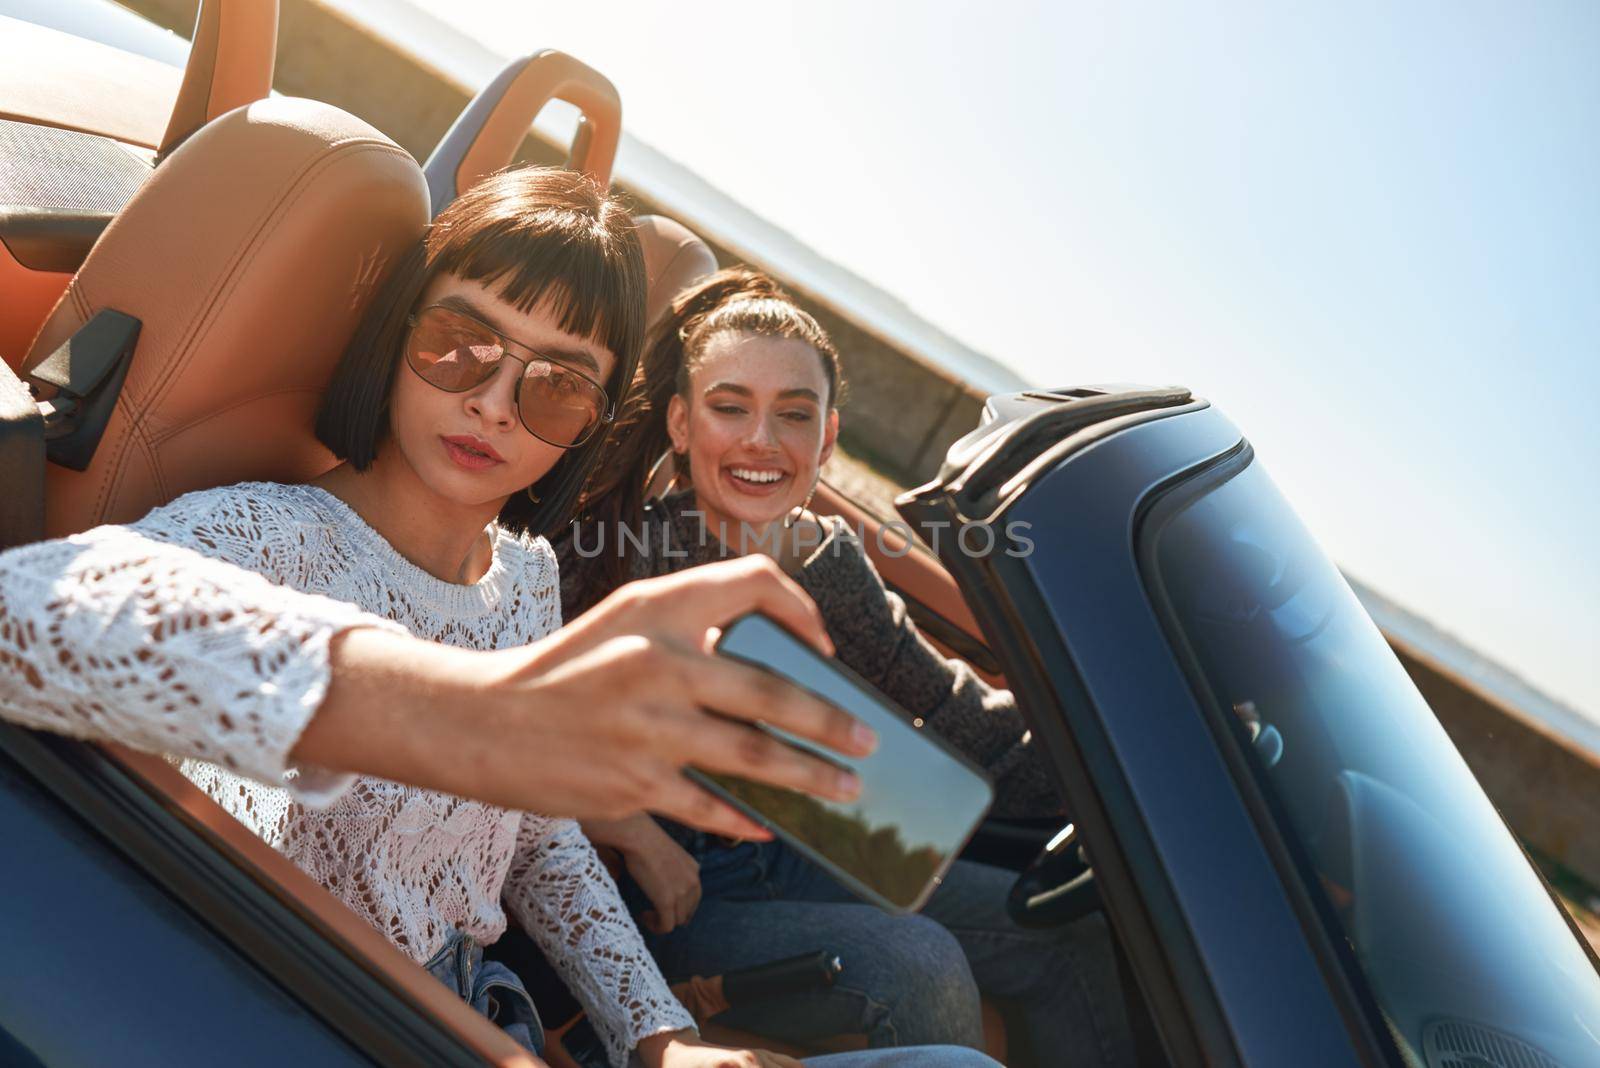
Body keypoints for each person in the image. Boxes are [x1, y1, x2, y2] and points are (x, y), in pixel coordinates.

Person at [0, 170, 997, 1068]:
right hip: (336, 1009)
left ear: (589, 427)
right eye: (457, 343)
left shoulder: (523, 578)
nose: (494, 403)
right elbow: (27, 611)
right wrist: (458, 709)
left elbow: (534, 834)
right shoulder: (272, 535)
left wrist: (658, 1037)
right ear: (396, 333)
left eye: (557, 387)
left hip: (487, 1003)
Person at [556, 268, 1134, 1066]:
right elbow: (505, 716)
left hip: (792, 844)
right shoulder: (617, 556)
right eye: (731, 408)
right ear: (682, 425)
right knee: (919, 965)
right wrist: (634, 832)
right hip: (661, 890)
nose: (763, 441)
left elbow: (958, 713)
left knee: (1069, 929)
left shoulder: (828, 564)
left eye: (794, 415)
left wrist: (1136, 751)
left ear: (827, 440)